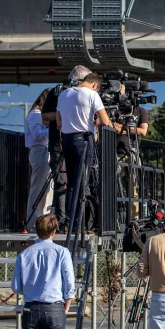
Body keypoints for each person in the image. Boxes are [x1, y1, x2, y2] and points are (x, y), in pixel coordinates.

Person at [56, 72, 112, 231]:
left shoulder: (64, 94)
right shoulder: (92, 95)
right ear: (95, 85)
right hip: (84, 139)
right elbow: (106, 121)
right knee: (83, 183)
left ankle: (69, 222)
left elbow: (59, 121)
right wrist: (95, 122)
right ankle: (79, 223)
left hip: (66, 139)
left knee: (72, 183)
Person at [42, 65, 92, 232]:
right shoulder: (57, 92)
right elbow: (44, 117)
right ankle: (63, 220)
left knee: (81, 182)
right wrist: (60, 115)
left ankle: (80, 221)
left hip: (78, 143)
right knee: (62, 182)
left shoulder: (87, 96)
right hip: (58, 143)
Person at [24, 88, 53, 231]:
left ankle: (42, 221)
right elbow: (36, 134)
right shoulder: (36, 114)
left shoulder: (38, 114)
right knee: (38, 188)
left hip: (43, 151)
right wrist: (53, 129)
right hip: (39, 150)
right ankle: (33, 222)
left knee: (45, 188)